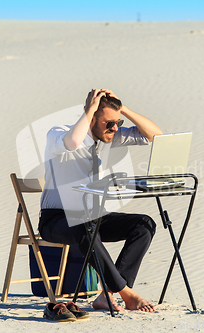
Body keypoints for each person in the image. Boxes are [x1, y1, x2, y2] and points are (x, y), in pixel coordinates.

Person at [39, 88, 163, 312]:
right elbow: (73, 143)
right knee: (85, 227)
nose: (115, 128)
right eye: (109, 123)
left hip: (94, 217)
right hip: (57, 219)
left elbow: (155, 136)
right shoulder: (58, 133)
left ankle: (108, 293)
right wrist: (89, 109)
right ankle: (126, 293)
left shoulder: (109, 137)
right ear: (92, 117)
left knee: (144, 225)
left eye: (118, 122)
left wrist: (120, 107)